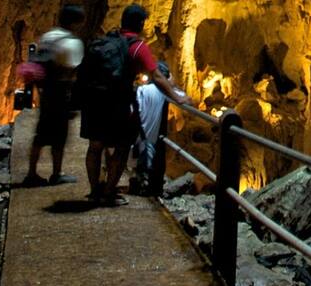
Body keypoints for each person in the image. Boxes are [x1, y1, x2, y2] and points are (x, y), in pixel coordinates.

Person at [78, 4, 189, 205]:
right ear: (140, 24)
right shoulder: (137, 46)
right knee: (121, 147)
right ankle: (109, 193)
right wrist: (177, 97)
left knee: (94, 146)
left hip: (93, 101)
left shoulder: (107, 40)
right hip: (116, 103)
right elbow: (157, 75)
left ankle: (95, 191)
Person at [26, 5, 86, 185]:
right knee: (59, 136)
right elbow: (72, 70)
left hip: (46, 92)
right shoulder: (73, 43)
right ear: (76, 23)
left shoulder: (48, 36)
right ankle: (57, 173)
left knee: (41, 134)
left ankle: (31, 174)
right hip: (61, 92)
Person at [130, 62, 181, 197]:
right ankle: (152, 188)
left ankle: (142, 182)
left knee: (142, 156)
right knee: (152, 157)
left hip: (140, 130)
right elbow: (184, 99)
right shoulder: (164, 92)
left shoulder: (142, 89)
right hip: (154, 133)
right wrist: (172, 84)